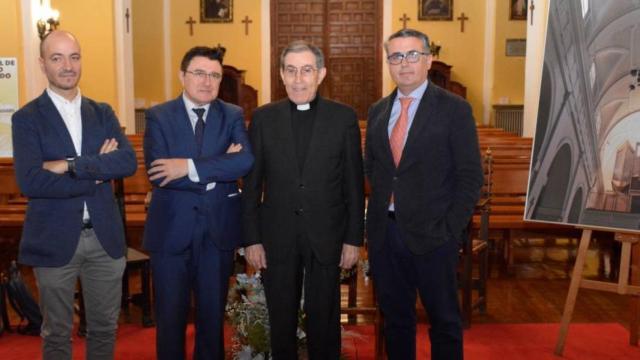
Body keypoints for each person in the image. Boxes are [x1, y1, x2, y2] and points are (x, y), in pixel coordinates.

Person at [11, 30, 137, 359]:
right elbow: (31, 182)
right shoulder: (26, 118)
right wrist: (96, 174)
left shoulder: (103, 112)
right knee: (55, 333)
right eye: (57, 58)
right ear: (42, 64)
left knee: (105, 328)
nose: (68, 66)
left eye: (74, 57)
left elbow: (126, 162)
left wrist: (67, 165)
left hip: (104, 238)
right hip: (52, 238)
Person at [364, 28, 483, 360]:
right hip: (386, 233)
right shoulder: (377, 111)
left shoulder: (454, 109)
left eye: (413, 55)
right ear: (388, 62)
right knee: (396, 320)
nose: (404, 64)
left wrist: (450, 229)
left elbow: (470, 177)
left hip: (435, 234)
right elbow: (372, 167)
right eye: (396, 56)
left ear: (429, 60)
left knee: (444, 320)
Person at [242, 40, 364, 359]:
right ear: (281, 75)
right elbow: (252, 186)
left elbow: (354, 184)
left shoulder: (344, 118)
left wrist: (353, 240)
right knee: (280, 321)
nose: (299, 79)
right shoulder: (264, 118)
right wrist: (252, 240)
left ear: (321, 74)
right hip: (277, 236)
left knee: (324, 321)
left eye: (307, 70)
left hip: (327, 235)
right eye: (292, 71)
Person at [143, 46, 253, 360]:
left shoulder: (231, 114)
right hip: (170, 233)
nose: (207, 82)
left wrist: (187, 167)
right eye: (199, 73)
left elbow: (244, 162)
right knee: (170, 319)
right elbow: (159, 172)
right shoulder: (159, 115)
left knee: (212, 319)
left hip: (217, 233)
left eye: (214, 75)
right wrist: (220, 166)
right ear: (182, 75)